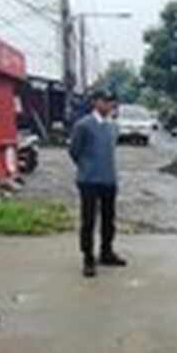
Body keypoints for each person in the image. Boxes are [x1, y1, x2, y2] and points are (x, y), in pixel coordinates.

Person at [69, 89, 126, 278]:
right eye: (105, 101)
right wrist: (86, 166)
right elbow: (74, 151)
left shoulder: (113, 126)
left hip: (109, 179)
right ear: (95, 102)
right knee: (88, 221)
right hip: (88, 180)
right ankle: (88, 257)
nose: (109, 105)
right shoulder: (83, 125)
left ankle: (106, 252)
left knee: (109, 219)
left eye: (111, 102)